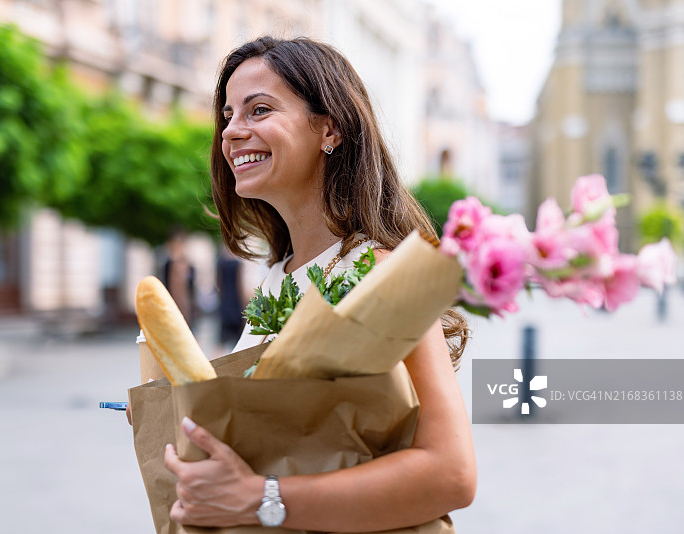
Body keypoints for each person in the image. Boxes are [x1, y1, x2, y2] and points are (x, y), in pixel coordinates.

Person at [161, 36, 476, 531]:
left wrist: (259, 499)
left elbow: (452, 474)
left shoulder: (379, 271)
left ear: (329, 129)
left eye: (258, 110)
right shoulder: (273, 277)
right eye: (227, 116)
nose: (231, 133)